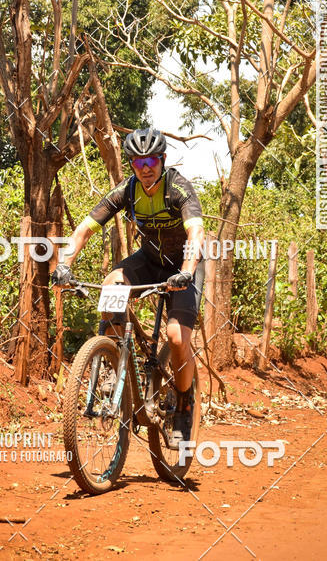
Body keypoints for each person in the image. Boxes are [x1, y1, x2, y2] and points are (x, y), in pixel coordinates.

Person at [51, 126, 205, 445]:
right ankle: (111, 360)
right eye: (138, 162)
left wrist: (188, 270)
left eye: (151, 161)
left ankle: (184, 407)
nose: (145, 168)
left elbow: (196, 234)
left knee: (176, 337)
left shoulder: (178, 187)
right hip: (149, 261)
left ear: (162, 160)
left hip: (184, 267)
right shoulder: (128, 190)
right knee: (111, 286)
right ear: (132, 164)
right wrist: (64, 263)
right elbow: (83, 229)